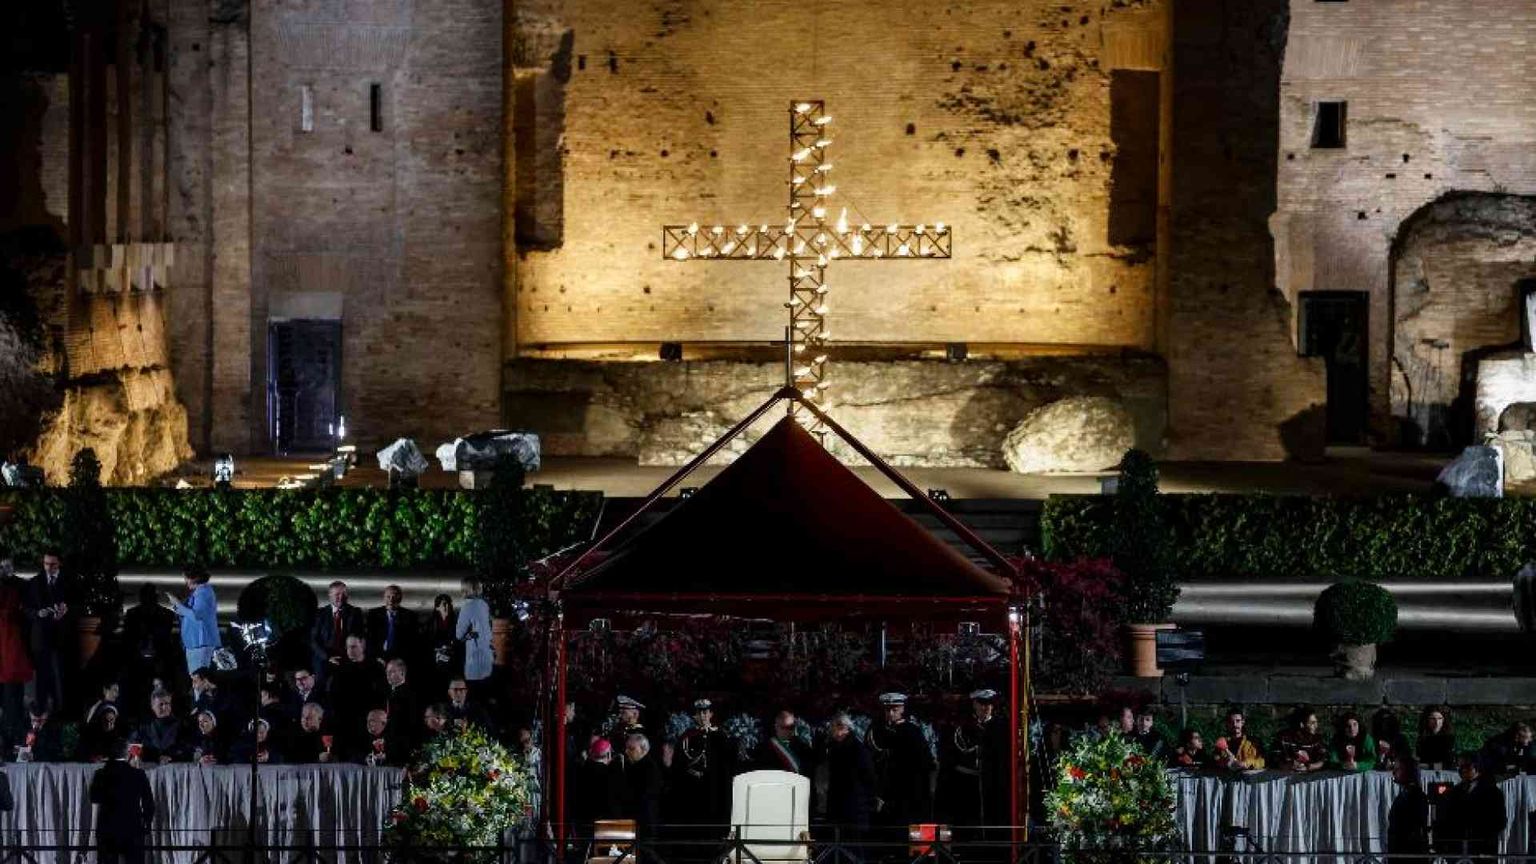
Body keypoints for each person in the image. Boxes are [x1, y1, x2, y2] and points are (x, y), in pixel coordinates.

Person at [941, 688, 1010, 829]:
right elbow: (954, 757)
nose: (985, 708)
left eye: (988, 704)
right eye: (982, 704)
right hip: (968, 783)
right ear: (974, 704)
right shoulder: (964, 728)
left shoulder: (1002, 727)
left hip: (993, 783)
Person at [866, 692, 933, 829]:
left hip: (908, 789)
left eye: (894, 710)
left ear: (902, 709)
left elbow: (925, 762)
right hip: (885, 788)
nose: (891, 713)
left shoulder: (912, 731)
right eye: (888, 710)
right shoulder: (877, 730)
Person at [669, 698, 736, 831]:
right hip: (693, 787)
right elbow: (679, 763)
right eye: (699, 713)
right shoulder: (687, 736)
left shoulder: (722, 735)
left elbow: (728, 762)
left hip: (715, 788)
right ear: (695, 715)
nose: (702, 716)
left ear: (711, 714)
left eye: (705, 713)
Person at [23, 548, 75, 713]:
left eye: (52, 564)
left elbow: (78, 604)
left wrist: (67, 609)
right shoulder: (34, 582)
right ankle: (41, 712)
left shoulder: (69, 582)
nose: (48, 567)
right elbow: (26, 609)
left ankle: (62, 712)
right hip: (41, 638)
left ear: (59, 563)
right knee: (42, 679)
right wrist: (38, 613)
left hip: (62, 638)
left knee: (61, 676)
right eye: (46, 564)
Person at [90, 737, 156, 864]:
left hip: (107, 827)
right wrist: (146, 823)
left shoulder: (100, 774)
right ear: (128, 753)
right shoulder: (138, 774)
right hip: (133, 827)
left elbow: (94, 798)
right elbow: (149, 803)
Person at [120, 582, 179, 709]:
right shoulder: (132, 615)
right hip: (137, 658)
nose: (148, 601)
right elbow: (127, 639)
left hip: (160, 659)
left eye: (151, 597)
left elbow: (166, 640)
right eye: (146, 597)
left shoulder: (166, 615)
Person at [1438, 754, 1507, 861]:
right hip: (1457, 849)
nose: (1463, 770)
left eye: (1467, 766)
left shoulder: (1492, 792)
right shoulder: (1454, 792)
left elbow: (1499, 822)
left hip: (1481, 850)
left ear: (1477, 767)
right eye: (1460, 766)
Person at [822, 713, 878, 839]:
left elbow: (868, 778)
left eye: (834, 727)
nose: (832, 731)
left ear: (843, 728)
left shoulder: (857, 750)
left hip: (854, 808)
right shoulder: (835, 748)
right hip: (841, 808)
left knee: (854, 847)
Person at [325, 635, 385, 752]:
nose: (350, 651)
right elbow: (333, 695)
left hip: (368, 721)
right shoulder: (340, 667)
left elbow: (381, 695)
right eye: (347, 647)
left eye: (353, 647)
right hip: (345, 722)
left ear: (362, 645)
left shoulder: (375, 667)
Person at [0, 556, 35, 742]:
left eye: (7, 566)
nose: (5, 569)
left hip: (11, 646)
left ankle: (12, 737)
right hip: (8, 644)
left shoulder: (20, 587)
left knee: (13, 695)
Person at [168, 568, 221, 676]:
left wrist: (177, 603)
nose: (185, 582)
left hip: (201, 644)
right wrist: (178, 605)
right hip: (195, 643)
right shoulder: (199, 592)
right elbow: (187, 612)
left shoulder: (204, 592)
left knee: (199, 680)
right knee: (197, 679)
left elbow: (196, 615)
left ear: (193, 578)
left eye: (186, 578)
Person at [311, 581, 365, 684]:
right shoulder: (320, 614)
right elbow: (313, 640)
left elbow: (360, 637)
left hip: (347, 659)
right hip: (325, 659)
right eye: (337, 594)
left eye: (343, 594)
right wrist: (328, 657)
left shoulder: (355, 613)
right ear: (330, 595)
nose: (340, 597)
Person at [618, 733, 667, 841]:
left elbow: (644, 796)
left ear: (643, 750)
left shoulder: (650, 769)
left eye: (631, 748)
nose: (626, 752)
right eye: (626, 748)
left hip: (645, 822)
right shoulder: (633, 766)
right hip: (636, 821)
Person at [573, 738, 622, 833]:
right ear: (608, 755)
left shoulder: (581, 771)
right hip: (607, 825)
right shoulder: (611, 775)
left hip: (584, 822)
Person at [455, 577, 493, 696]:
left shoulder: (467, 607)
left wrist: (467, 636)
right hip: (488, 654)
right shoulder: (485, 605)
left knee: (474, 693)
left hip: (474, 656)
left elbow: (459, 634)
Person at [1386, 754, 1429, 856]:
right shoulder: (1404, 795)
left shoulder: (1416, 796)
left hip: (1409, 853)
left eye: (1398, 769)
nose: (1394, 773)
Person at [366, 584, 419, 663]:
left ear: (400, 598)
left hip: (400, 657)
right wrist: (376, 656)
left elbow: (412, 640)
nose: (391, 600)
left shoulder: (410, 616)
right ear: (384, 597)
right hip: (379, 656)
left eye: (394, 597)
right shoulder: (373, 614)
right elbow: (370, 638)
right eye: (388, 597)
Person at [130, 691, 184, 765]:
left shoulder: (180, 725)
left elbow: (186, 748)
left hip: (175, 768)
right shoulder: (144, 726)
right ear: (153, 706)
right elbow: (135, 743)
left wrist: (172, 757)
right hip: (148, 767)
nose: (164, 707)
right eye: (160, 704)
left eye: (167, 704)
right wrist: (136, 756)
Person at [427, 594, 462, 699]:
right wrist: (437, 651)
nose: (447, 607)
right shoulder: (431, 623)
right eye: (444, 604)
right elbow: (427, 642)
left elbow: (460, 641)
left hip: (452, 660)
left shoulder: (458, 623)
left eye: (449, 604)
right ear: (437, 607)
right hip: (436, 660)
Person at [1273, 706, 1327, 772]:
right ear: (1301, 724)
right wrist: (1291, 765)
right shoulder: (1283, 738)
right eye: (1312, 723)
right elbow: (1275, 760)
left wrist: (1309, 767)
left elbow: (1322, 760)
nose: (1316, 726)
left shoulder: (1317, 739)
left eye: (1316, 722)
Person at [384, 659, 419, 747]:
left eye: (392, 672)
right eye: (387, 672)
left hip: (403, 741)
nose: (388, 675)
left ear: (402, 673)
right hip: (391, 739)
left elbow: (411, 720)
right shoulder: (388, 692)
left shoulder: (410, 695)